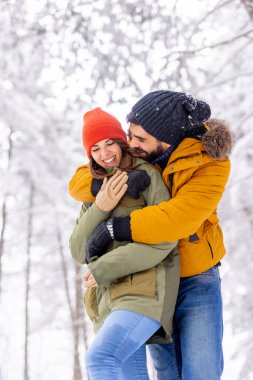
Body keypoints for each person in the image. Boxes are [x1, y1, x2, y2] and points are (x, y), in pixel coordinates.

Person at [69, 91, 233, 380]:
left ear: (165, 139)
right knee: (166, 372)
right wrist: (110, 187)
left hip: (196, 276)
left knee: (202, 370)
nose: (130, 144)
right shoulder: (141, 153)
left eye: (138, 139)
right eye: (129, 135)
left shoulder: (211, 162)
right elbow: (80, 179)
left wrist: (113, 228)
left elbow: (177, 220)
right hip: (154, 278)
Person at [69, 107, 180, 380]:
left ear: (121, 141)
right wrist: (100, 207)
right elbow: (78, 250)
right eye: (95, 148)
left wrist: (104, 267)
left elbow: (164, 239)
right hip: (107, 300)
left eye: (109, 143)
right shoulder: (95, 189)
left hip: (143, 292)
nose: (105, 153)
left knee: (100, 358)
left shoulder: (148, 177)